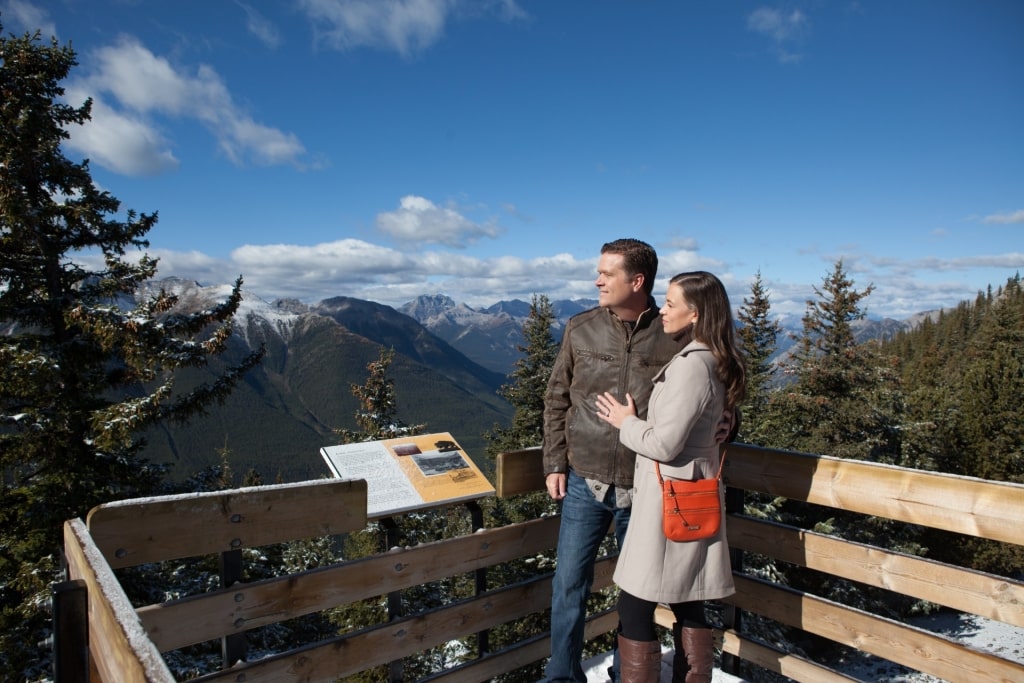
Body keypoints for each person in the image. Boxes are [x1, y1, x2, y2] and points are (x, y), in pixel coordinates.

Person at [543, 239, 729, 683]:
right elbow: (556, 396)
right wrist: (554, 461)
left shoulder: (676, 337)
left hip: (649, 487)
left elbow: (711, 390)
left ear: (636, 281)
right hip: (585, 481)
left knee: (637, 593)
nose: (597, 280)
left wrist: (728, 423)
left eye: (607, 273)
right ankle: (562, 676)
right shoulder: (581, 327)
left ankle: (627, 673)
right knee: (569, 585)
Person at [595, 271, 746, 683]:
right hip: (694, 494)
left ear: (695, 313)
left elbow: (664, 444)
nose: (663, 309)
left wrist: (625, 422)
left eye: (672, 303)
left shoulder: (692, 367)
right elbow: (707, 422)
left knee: (635, 605)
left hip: (669, 500)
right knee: (689, 599)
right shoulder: (714, 358)